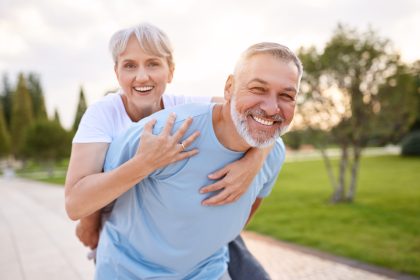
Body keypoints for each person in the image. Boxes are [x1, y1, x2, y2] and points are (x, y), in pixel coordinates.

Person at [65, 23, 272, 279]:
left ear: (170, 71)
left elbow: (254, 116)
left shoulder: (184, 107)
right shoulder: (102, 115)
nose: (142, 76)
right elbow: (75, 204)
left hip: (192, 232)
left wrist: (255, 160)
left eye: (153, 64)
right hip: (129, 241)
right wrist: (144, 164)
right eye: (130, 65)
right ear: (117, 72)